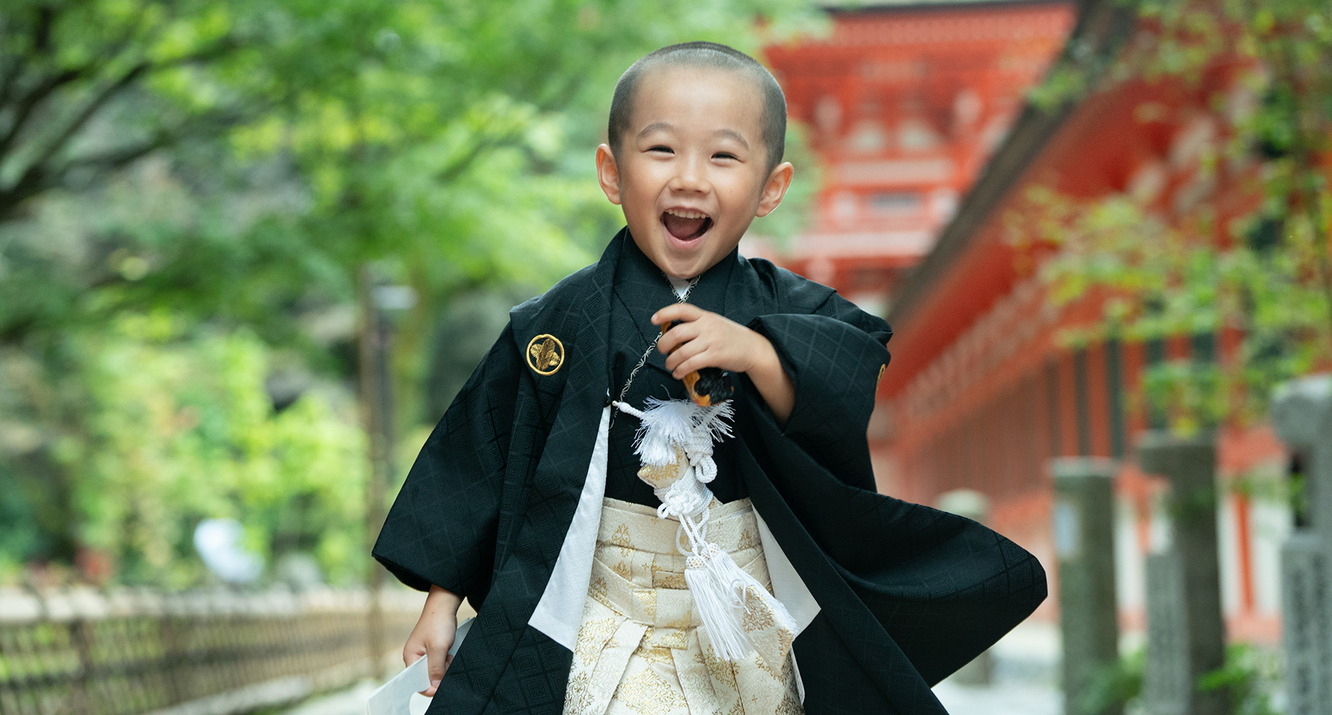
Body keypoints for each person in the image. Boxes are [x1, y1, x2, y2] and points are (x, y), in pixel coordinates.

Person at [373, 42, 1046, 715]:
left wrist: (756, 351)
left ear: (770, 188)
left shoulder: (789, 312)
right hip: (604, 604)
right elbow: (479, 457)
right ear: (611, 172)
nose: (690, 178)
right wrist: (442, 600)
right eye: (661, 150)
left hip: (747, 603)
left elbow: (843, 383)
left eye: (723, 156)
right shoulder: (558, 321)